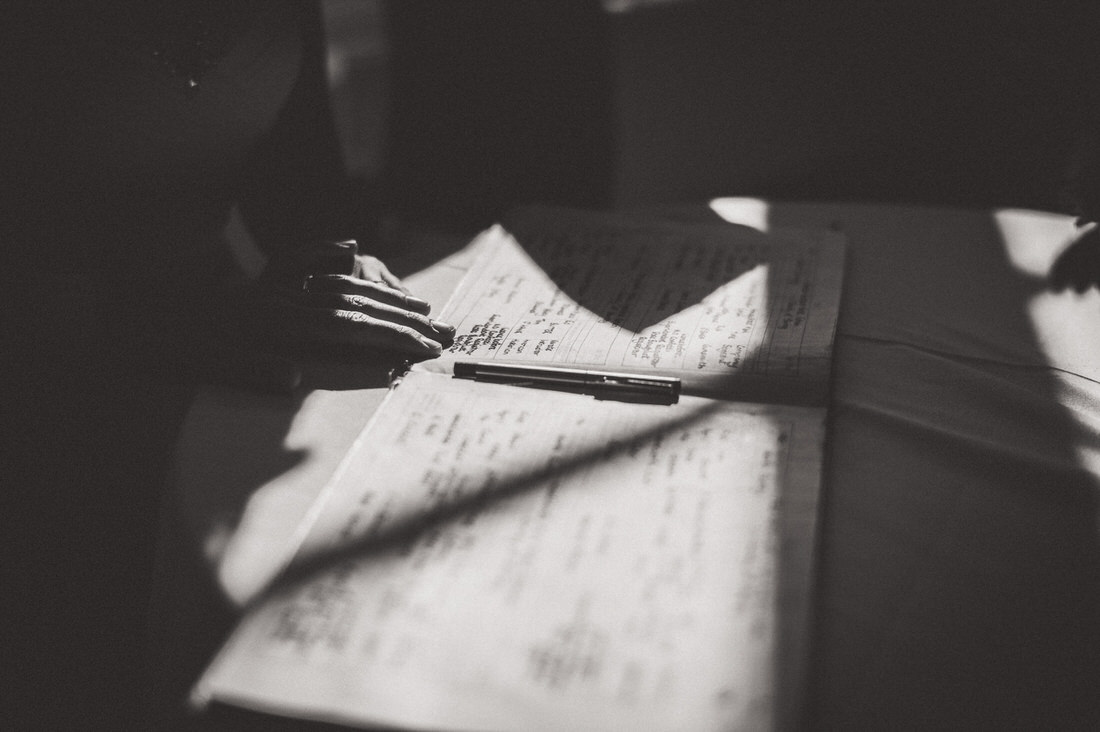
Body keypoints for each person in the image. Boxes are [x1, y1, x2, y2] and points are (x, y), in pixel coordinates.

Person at [1, 2, 450, 726]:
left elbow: (301, 190)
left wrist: (335, 262)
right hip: (42, 391)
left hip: (229, 347)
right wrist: (174, 326)